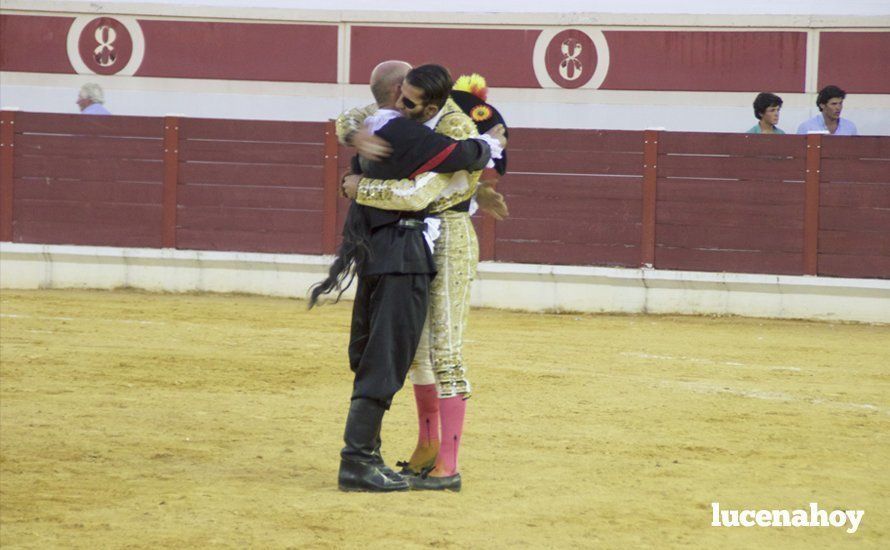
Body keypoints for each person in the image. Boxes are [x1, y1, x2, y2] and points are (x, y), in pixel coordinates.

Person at [310, 60, 498, 493]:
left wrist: (357, 187)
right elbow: (356, 115)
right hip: (414, 239)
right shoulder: (408, 110)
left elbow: (419, 194)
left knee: (445, 351)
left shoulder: (455, 127)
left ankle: (448, 467)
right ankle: (426, 450)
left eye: (408, 102)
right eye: (399, 96)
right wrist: (351, 133)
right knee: (416, 353)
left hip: (445, 236)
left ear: (429, 102)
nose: (399, 107)